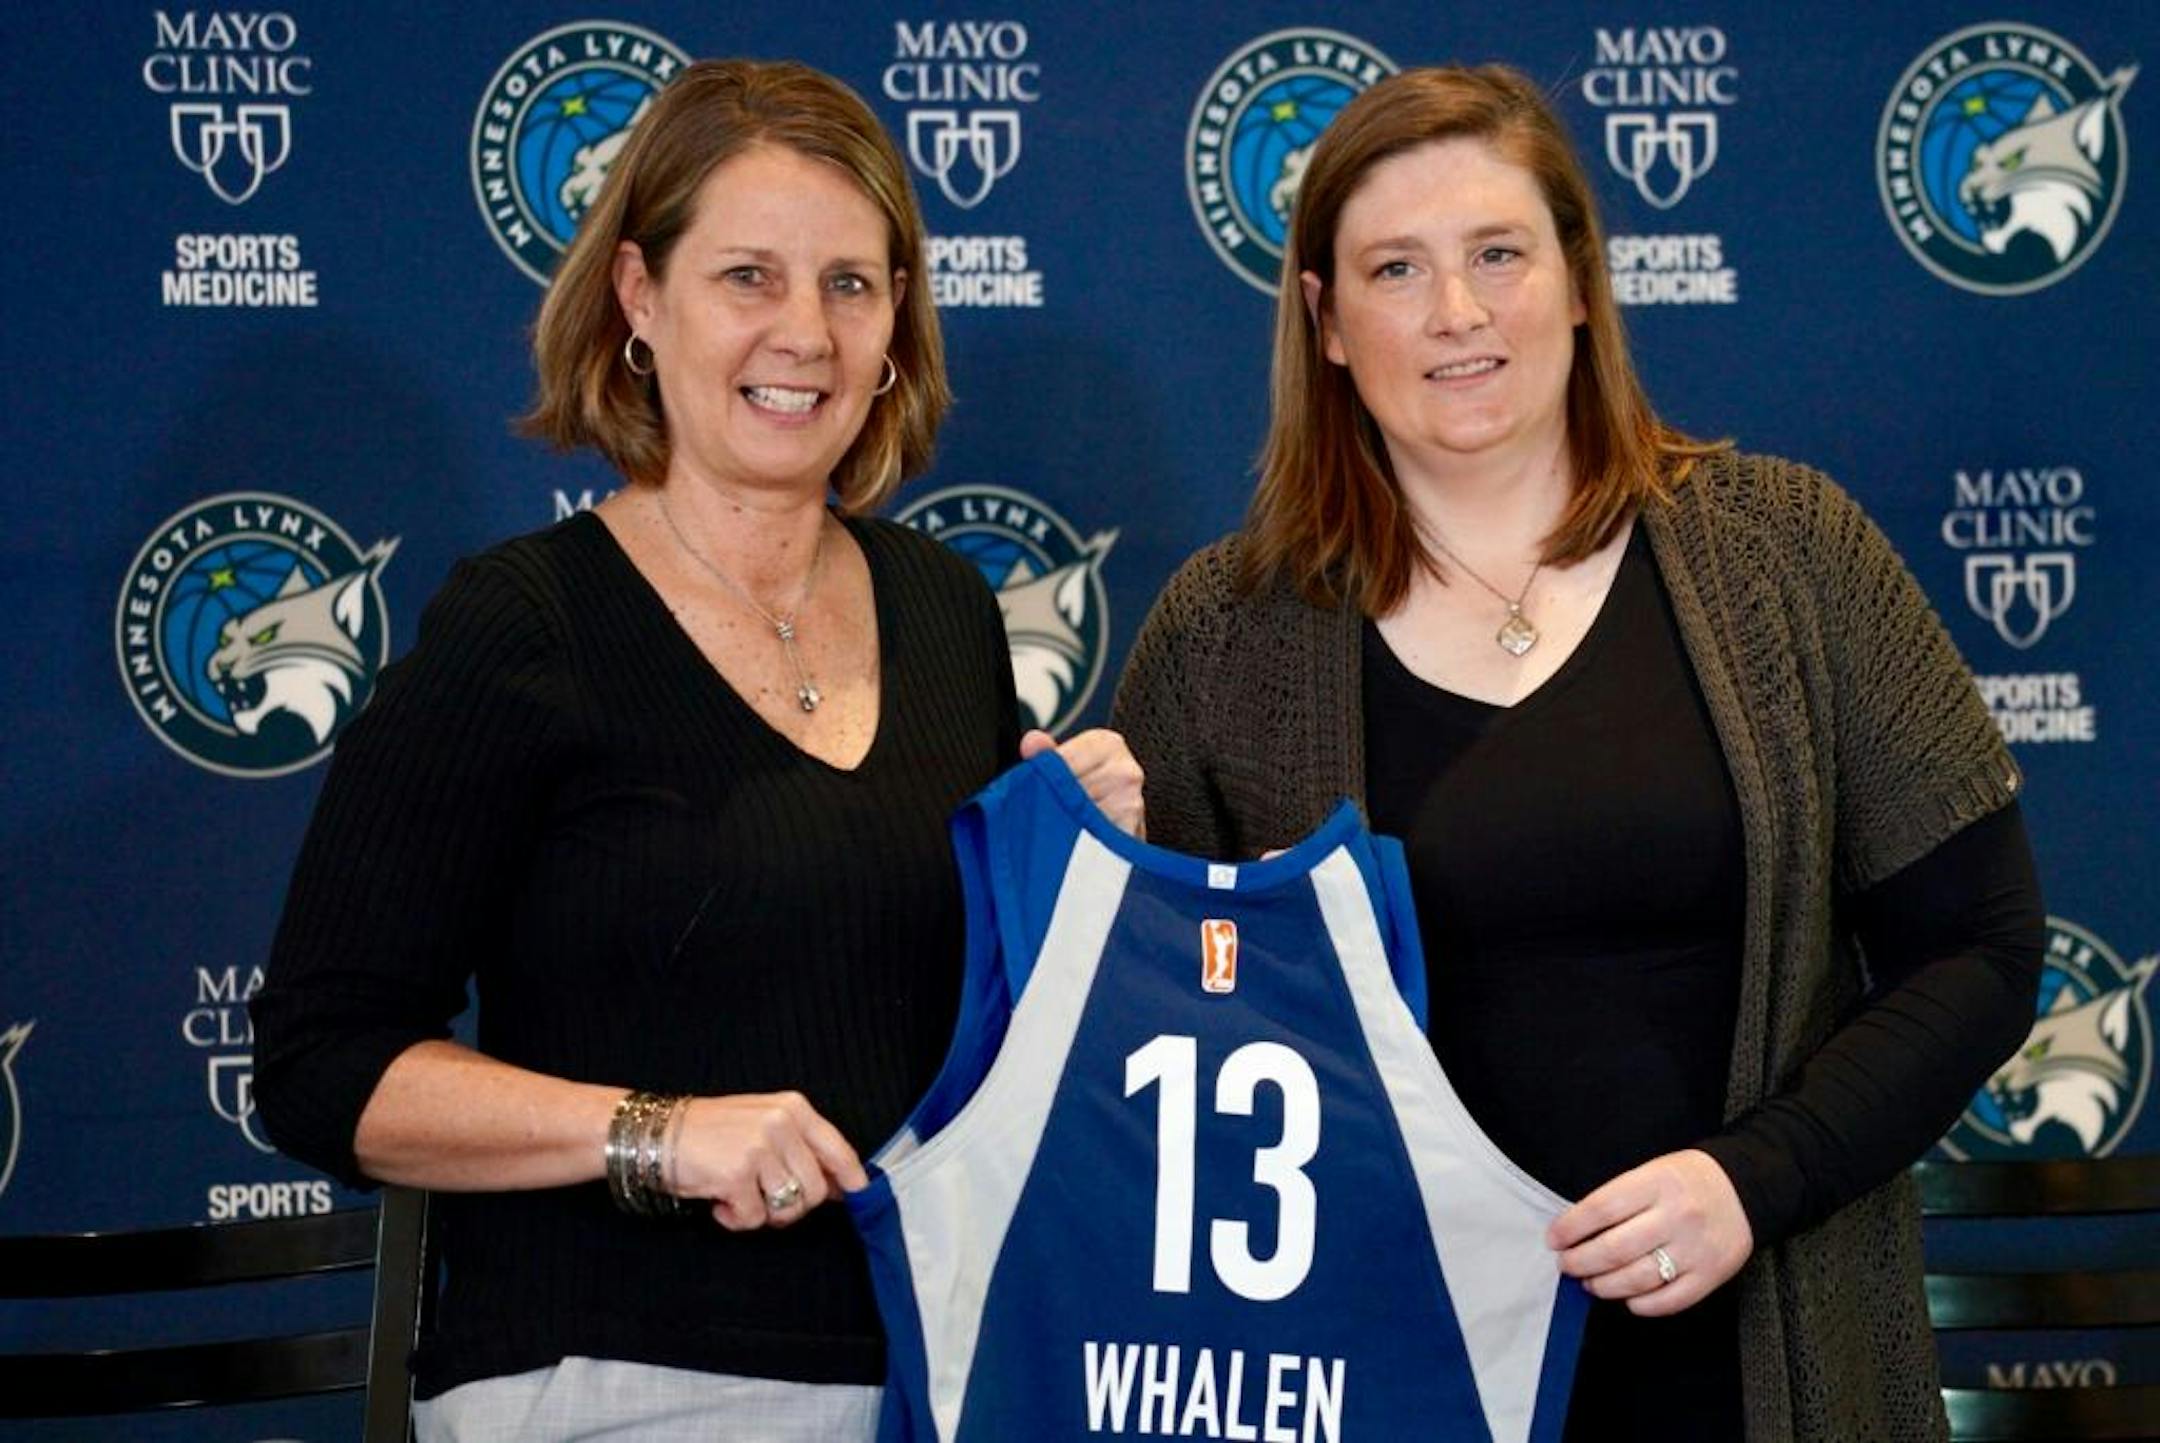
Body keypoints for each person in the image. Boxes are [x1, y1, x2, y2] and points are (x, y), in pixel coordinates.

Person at [1112, 66, 2041, 1441]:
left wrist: (1757, 1179)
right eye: (1396, 269)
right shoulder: (1222, 636)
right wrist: (1104, 880)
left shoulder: (1790, 552)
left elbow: (1982, 945)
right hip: (1383, 1383)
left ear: (1582, 277)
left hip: (1763, 1364)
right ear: (1325, 322)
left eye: (1499, 254)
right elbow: (1146, 1065)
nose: (1458, 314)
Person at [250, 59, 1141, 1442]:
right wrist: (653, 1133)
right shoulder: (525, 621)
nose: (806, 333)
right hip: (610, 1380)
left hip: (941, 1370)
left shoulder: (948, 611)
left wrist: (1086, 868)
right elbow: (321, 1070)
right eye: (749, 278)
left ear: (899, 317)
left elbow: (960, 1038)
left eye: (851, 283)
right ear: (639, 299)